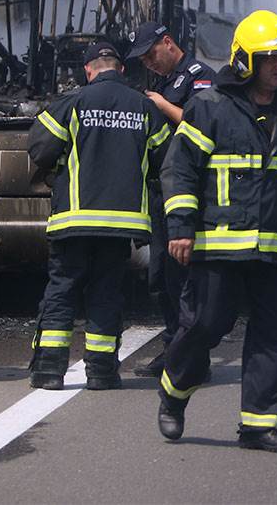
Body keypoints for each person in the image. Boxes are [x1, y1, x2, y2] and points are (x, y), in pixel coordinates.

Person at [157, 9, 277, 453]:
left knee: (274, 336)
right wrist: (180, 228)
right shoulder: (210, 108)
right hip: (218, 245)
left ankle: (258, 426)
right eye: (270, 58)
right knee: (204, 327)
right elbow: (180, 171)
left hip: (275, 250)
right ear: (244, 61)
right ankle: (174, 391)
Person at [27, 41, 170, 391]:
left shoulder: (72, 103)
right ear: (121, 69)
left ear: (88, 70)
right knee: (106, 294)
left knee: (62, 290)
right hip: (120, 225)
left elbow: (39, 148)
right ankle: (103, 373)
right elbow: (165, 159)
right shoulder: (143, 108)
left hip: (74, 221)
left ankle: (49, 371)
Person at [124, 21, 217, 379]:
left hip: (188, 192)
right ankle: (175, 346)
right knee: (161, 276)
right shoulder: (161, 83)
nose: (149, 64)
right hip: (161, 190)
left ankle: (192, 357)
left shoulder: (199, 76)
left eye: (151, 55)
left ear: (168, 43)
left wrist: (162, 105)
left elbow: (203, 127)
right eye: (143, 61)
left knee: (184, 277)